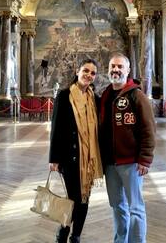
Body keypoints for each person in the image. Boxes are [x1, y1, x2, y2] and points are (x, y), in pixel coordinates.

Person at [100, 52, 155, 243]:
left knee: (136, 208)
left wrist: (145, 158)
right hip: (110, 163)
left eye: (120, 66)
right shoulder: (106, 95)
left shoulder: (137, 95)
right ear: (108, 69)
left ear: (128, 70)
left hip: (131, 162)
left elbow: (148, 128)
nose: (116, 70)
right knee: (117, 206)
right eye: (112, 66)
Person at [49, 59, 103, 243]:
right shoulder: (64, 96)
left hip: (89, 159)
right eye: (85, 70)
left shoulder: (95, 99)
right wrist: (54, 158)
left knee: (85, 198)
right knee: (74, 198)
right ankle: (63, 231)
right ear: (77, 71)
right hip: (68, 157)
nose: (88, 75)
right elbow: (55, 128)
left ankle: (76, 235)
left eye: (92, 73)